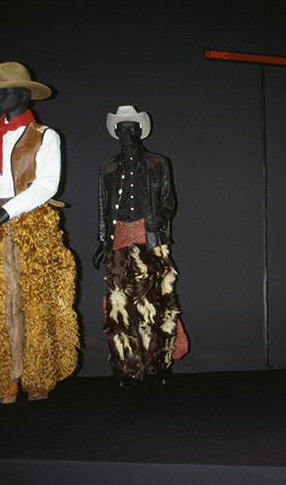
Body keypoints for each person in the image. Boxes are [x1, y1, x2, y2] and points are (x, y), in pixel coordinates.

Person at [0, 62, 78, 404]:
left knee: (36, 300)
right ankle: (1, 381)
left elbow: (47, 184)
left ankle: (38, 376)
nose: (0, 96)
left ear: (25, 95)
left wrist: (8, 211)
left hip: (30, 224)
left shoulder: (45, 136)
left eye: (7, 90)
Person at [93, 105, 186, 385]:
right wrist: (103, 241)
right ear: (117, 132)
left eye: (133, 128)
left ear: (141, 131)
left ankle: (161, 362)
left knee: (156, 301)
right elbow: (102, 207)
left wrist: (161, 216)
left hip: (150, 235)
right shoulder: (107, 168)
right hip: (119, 235)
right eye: (123, 129)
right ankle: (126, 368)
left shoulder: (158, 163)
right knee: (118, 305)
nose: (129, 133)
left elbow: (169, 199)